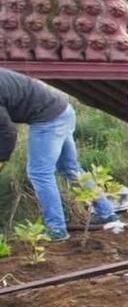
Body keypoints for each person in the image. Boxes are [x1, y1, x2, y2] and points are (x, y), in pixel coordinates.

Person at [0, 68, 118, 240]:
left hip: (48, 120)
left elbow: (8, 131)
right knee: (70, 168)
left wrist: (2, 159)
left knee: (39, 173)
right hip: (63, 110)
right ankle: (106, 213)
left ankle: (56, 229)